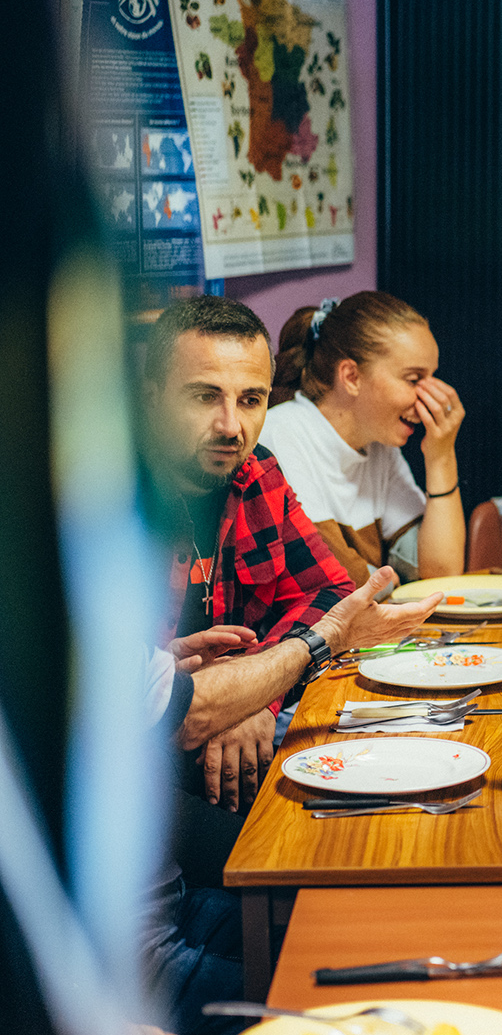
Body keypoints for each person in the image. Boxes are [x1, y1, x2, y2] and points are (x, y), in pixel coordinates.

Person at [143, 568, 439, 1033]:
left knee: (388, 943)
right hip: (126, 954)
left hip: (174, 898)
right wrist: (325, 637)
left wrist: (165, 664)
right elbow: (191, 712)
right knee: (381, 1002)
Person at [140, 295, 353, 882]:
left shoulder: (258, 473)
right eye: (205, 396)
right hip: (138, 774)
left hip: (232, 742)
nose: (232, 426)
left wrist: (256, 691)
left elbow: (330, 591)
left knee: (361, 829)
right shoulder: (112, 503)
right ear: (153, 397)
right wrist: (230, 699)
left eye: (251, 399)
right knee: (304, 870)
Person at [264, 291, 467, 586]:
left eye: (432, 378)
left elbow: (441, 573)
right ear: (351, 377)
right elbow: (339, 584)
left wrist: (441, 457)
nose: (431, 395)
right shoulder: (281, 434)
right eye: (413, 380)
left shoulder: (378, 445)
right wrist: (392, 582)